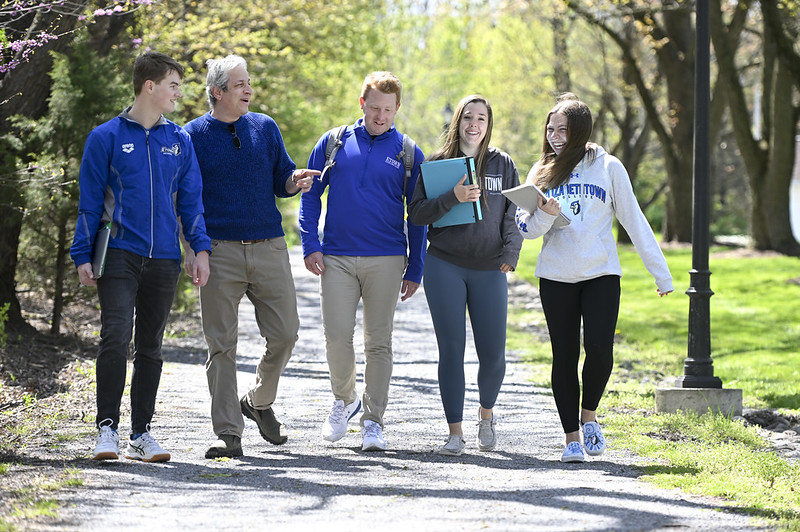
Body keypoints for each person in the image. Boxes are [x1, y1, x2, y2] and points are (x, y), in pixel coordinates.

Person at [515, 94, 673, 463]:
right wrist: (545, 215)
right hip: (556, 276)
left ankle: (589, 417)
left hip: (601, 273)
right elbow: (525, 229)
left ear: (580, 131)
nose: (554, 136)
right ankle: (571, 437)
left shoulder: (608, 167)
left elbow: (633, 219)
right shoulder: (540, 171)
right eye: (550, 129)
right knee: (564, 356)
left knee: (600, 349)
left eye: (562, 129)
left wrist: (661, 273)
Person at [70, 51, 212, 462]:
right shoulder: (106, 137)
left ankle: (141, 433)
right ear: (149, 86)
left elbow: (191, 202)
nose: (178, 93)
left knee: (151, 345)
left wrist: (198, 248)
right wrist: (83, 254)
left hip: (165, 258)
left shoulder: (179, 140)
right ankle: (106, 430)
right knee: (115, 336)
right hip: (118, 252)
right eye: (172, 85)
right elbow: (90, 203)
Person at [183, 55, 319, 459]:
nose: (249, 90)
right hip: (218, 251)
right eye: (240, 84)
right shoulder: (192, 136)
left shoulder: (265, 127)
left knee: (286, 333)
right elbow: (186, 200)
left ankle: (257, 401)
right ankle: (229, 434)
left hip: (269, 247)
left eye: (249, 83)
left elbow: (283, 178)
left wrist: (295, 181)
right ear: (217, 92)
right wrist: (194, 249)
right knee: (221, 346)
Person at [299, 71, 427, 452]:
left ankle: (373, 421)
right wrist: (310, 243)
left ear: (397, 108)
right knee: (337, 335)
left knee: (378, 343)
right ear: (362, 104)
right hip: (336, 256)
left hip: (387, 259)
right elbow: (309, 194)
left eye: (388, 110)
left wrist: (416, 266)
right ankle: (344, 400)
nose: (380, 116)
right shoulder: (334, 142)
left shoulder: (407, 151)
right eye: (374, 108)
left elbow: (417, 214)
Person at [408, 95, 523, 456]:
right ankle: (454, 432)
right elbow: (417, 214)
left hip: (489, 268)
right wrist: (453, 197)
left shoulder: (502, 164)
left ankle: (486, 415)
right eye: (468, 117)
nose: (474, 124)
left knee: (494, 355)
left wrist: (510, 252)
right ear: (457, 121)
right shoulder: (439, 163)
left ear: (489, 125)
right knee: (451, 351)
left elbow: (513, 214)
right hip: (445, 266)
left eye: (481, 119)